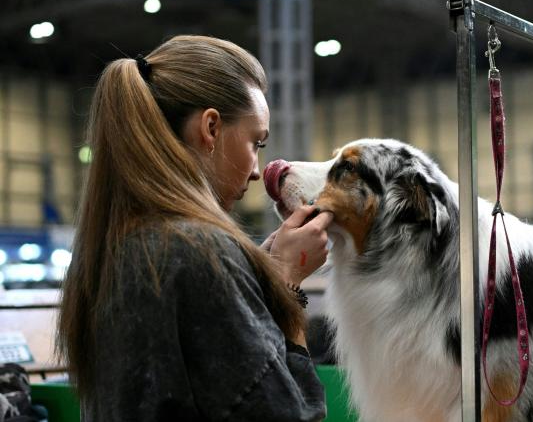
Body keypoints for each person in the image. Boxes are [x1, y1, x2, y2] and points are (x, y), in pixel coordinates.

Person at [56, 35, 333, 422]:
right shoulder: (201, 250)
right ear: (211, 128)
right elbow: (288, 414)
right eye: (257, 142)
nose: (256, 170)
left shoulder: (111, 247)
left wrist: (258, 279)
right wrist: (286, 285)